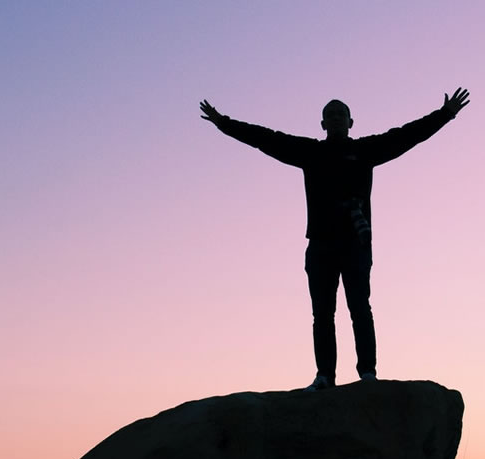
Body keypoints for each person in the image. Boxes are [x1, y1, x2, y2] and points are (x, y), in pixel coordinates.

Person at [200, 88, 470, 391]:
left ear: (351, 122)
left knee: (360, 308)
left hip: (355, 244)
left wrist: (445, 114)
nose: (336, 118)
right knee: (322, 314)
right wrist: (223, 123)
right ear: (322, 124)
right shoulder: (311, 153)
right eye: (330, 115)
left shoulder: (366, 151)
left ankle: (367, 373)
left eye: (341, 114)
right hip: (321, 245)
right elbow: (266, 139)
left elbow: (406, 136)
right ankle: (325, 376)